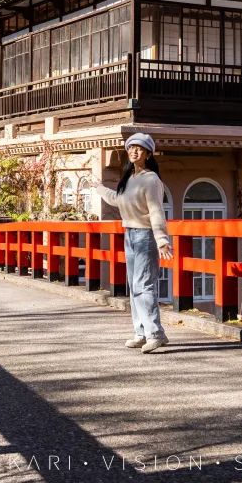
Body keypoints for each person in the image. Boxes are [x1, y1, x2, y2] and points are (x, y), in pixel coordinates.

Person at [90, 133, 172, 353]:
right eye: (131, 148)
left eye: (139, 148)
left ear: (147, 153)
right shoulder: (130, 178)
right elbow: (117, 200)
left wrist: (162, 240)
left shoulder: (151, 179)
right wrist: (99, 187)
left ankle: (154, 334)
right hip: (129, 234)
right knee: (134, 285)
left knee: (144, 285)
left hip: (145, 236)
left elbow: (156, 211)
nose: (134, 151)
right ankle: (142, 332)